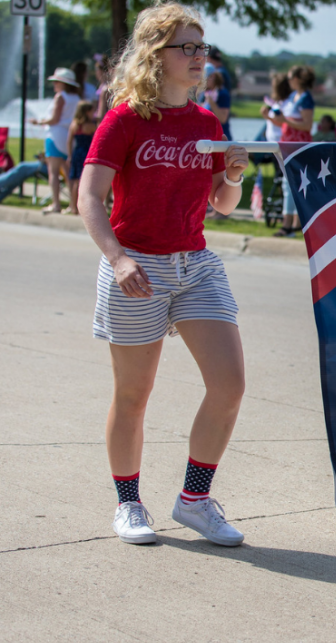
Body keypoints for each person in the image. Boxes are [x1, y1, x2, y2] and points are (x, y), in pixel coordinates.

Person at [77, 2, 249, 547]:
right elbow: (89, 198)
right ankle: (128, 503)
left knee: (229, 385)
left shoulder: (207, 123)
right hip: (137, 266)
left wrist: (236, 176)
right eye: (188, 48)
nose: (201, 58)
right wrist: (118, 258)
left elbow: (222, 203)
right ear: (158, 55)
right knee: (134, 392)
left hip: (195, 265)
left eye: (204, 48)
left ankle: (195, 501)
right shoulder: (125, 119)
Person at [268, 65, 315, 237]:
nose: (288, 82)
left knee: (291, 185)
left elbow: (307, 125)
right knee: (289, 184)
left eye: (290, 78)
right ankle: (293, 224)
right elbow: (287, 122)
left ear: (297, 79)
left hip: (298, 146)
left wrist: (285, 120)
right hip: (289, 145)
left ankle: (289, 224)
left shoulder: (305, 99)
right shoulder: (296, 97)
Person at [29, 67, 81, 214]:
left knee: (53, 172)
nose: (55, 85)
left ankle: (56, 203)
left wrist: (38, 122)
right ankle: (73, 205)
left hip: (55, 134)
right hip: (70, 136)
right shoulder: (76, 98)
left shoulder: (60, 97)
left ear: (64, 84)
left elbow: (54, 119)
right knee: (68, 172)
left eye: (57, 82)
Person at [66, 101, 98, 215]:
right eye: (92, 111)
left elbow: (69, 141)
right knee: (83, 182)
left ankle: (72, 206)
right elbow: (96, 140)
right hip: (86, 153)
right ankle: (80, 208)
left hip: (76, 152)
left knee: (75, 181)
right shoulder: (90, 125)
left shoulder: (74, 124)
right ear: (87, 111)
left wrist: (70, 155)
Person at [202, 63, 232, 139]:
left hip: (222, 137)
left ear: (213, 76)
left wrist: (212, 103)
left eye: (205, 78)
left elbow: (223, 119)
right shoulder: (204, 93)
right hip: (208, 136)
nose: (203, 82)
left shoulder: (223, 94)